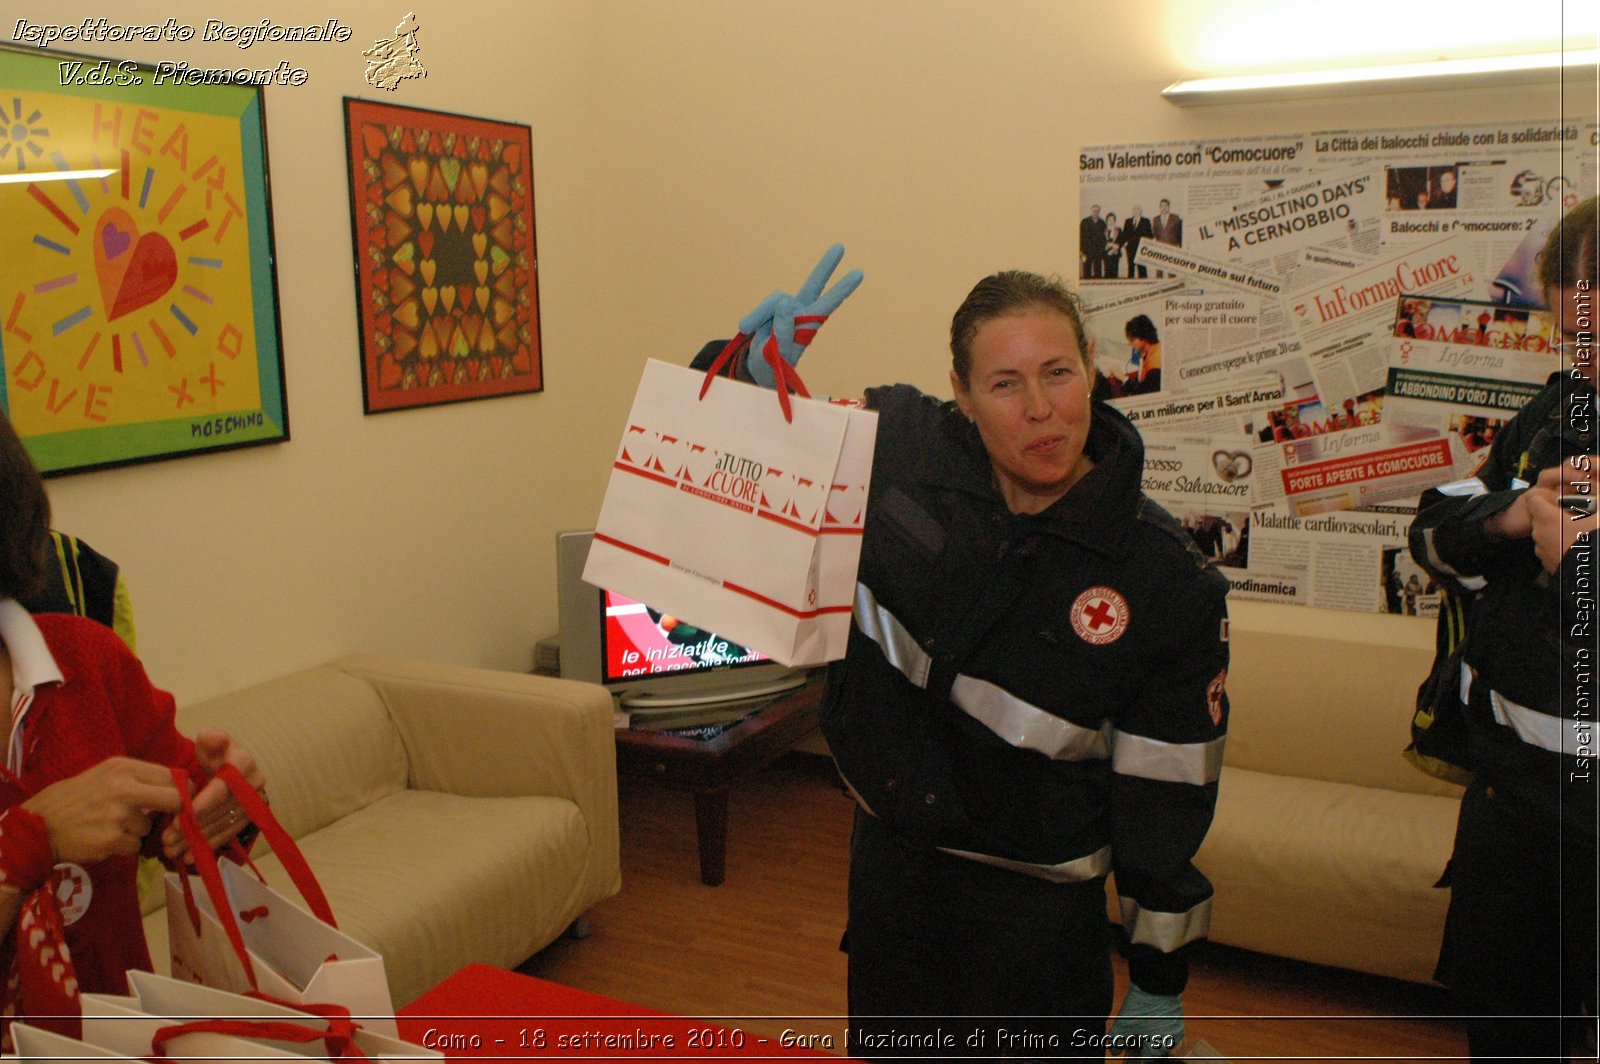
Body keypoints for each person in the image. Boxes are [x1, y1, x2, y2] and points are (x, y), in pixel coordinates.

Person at [697, 251, 1229, 1059]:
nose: (1042, 410)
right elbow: (721, 468)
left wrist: (1160, 973)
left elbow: (1167, 792)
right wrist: (741, 375)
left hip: (1037, 929)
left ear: (1093, 371)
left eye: (1058, 373)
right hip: (892, 885)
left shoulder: (1164, 578)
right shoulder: (899, 448)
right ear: (963, 393)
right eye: (1006, 385)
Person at [0, 411, 265, 1042]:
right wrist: (32, 840)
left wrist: (223, 803)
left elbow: (194, 834)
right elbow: (44, 835)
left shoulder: (85, 659)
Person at [1408, 195, 1598, 1060]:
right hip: (1513, 805)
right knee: (1507, 1034)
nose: (1587, 363)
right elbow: (1428, 536)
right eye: (1574, 340)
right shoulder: (1553, 415)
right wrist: (1513, 518)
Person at [1123, 314, 1162, 394]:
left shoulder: (1155, 361)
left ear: (1144, 338)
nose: (1130, 344)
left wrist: (1122, 377)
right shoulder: (1148, 349)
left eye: (1132, 340)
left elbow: (1144, 391)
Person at [1122, 206, 1152, 279]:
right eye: (1134, 209)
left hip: (1141, 248)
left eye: (1138, 209)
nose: (1135, 211)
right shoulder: (1128, 221)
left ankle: (1144, 285)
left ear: (1141, 212)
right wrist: (1125, 243)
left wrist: (1145, 245)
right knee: (1130, 268)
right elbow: (1124, 234)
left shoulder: (1146, 221)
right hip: (1130, 248)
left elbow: (1150, 235)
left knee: (1142, 268)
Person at [1080, 205, 1108, 280]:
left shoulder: (1102, 222)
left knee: (1098, 271)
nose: (1096, 213)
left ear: (1099, 212)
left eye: (1097, 211)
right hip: (1087, 250)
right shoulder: (1084, 221)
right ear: (1091, 211)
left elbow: (1104, 238)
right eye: (1094, 211)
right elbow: (1081, 237)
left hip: (1098, 251)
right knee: (1086, 270)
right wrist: (1081, 251)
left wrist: (1103, 250)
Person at [1102, 211, 1123, 279]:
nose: (1111, 221)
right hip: (1106, 253)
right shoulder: (1103, 230)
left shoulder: (1119, 229)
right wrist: (1108, 245)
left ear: (1115, 221)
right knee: (1107, 271)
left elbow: (1121, 241)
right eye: (1109, 220)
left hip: (1115, 253)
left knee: (1114, 271)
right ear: (1106, 221)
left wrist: (1114, 249)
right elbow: (1101, 241)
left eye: (1112, 220)